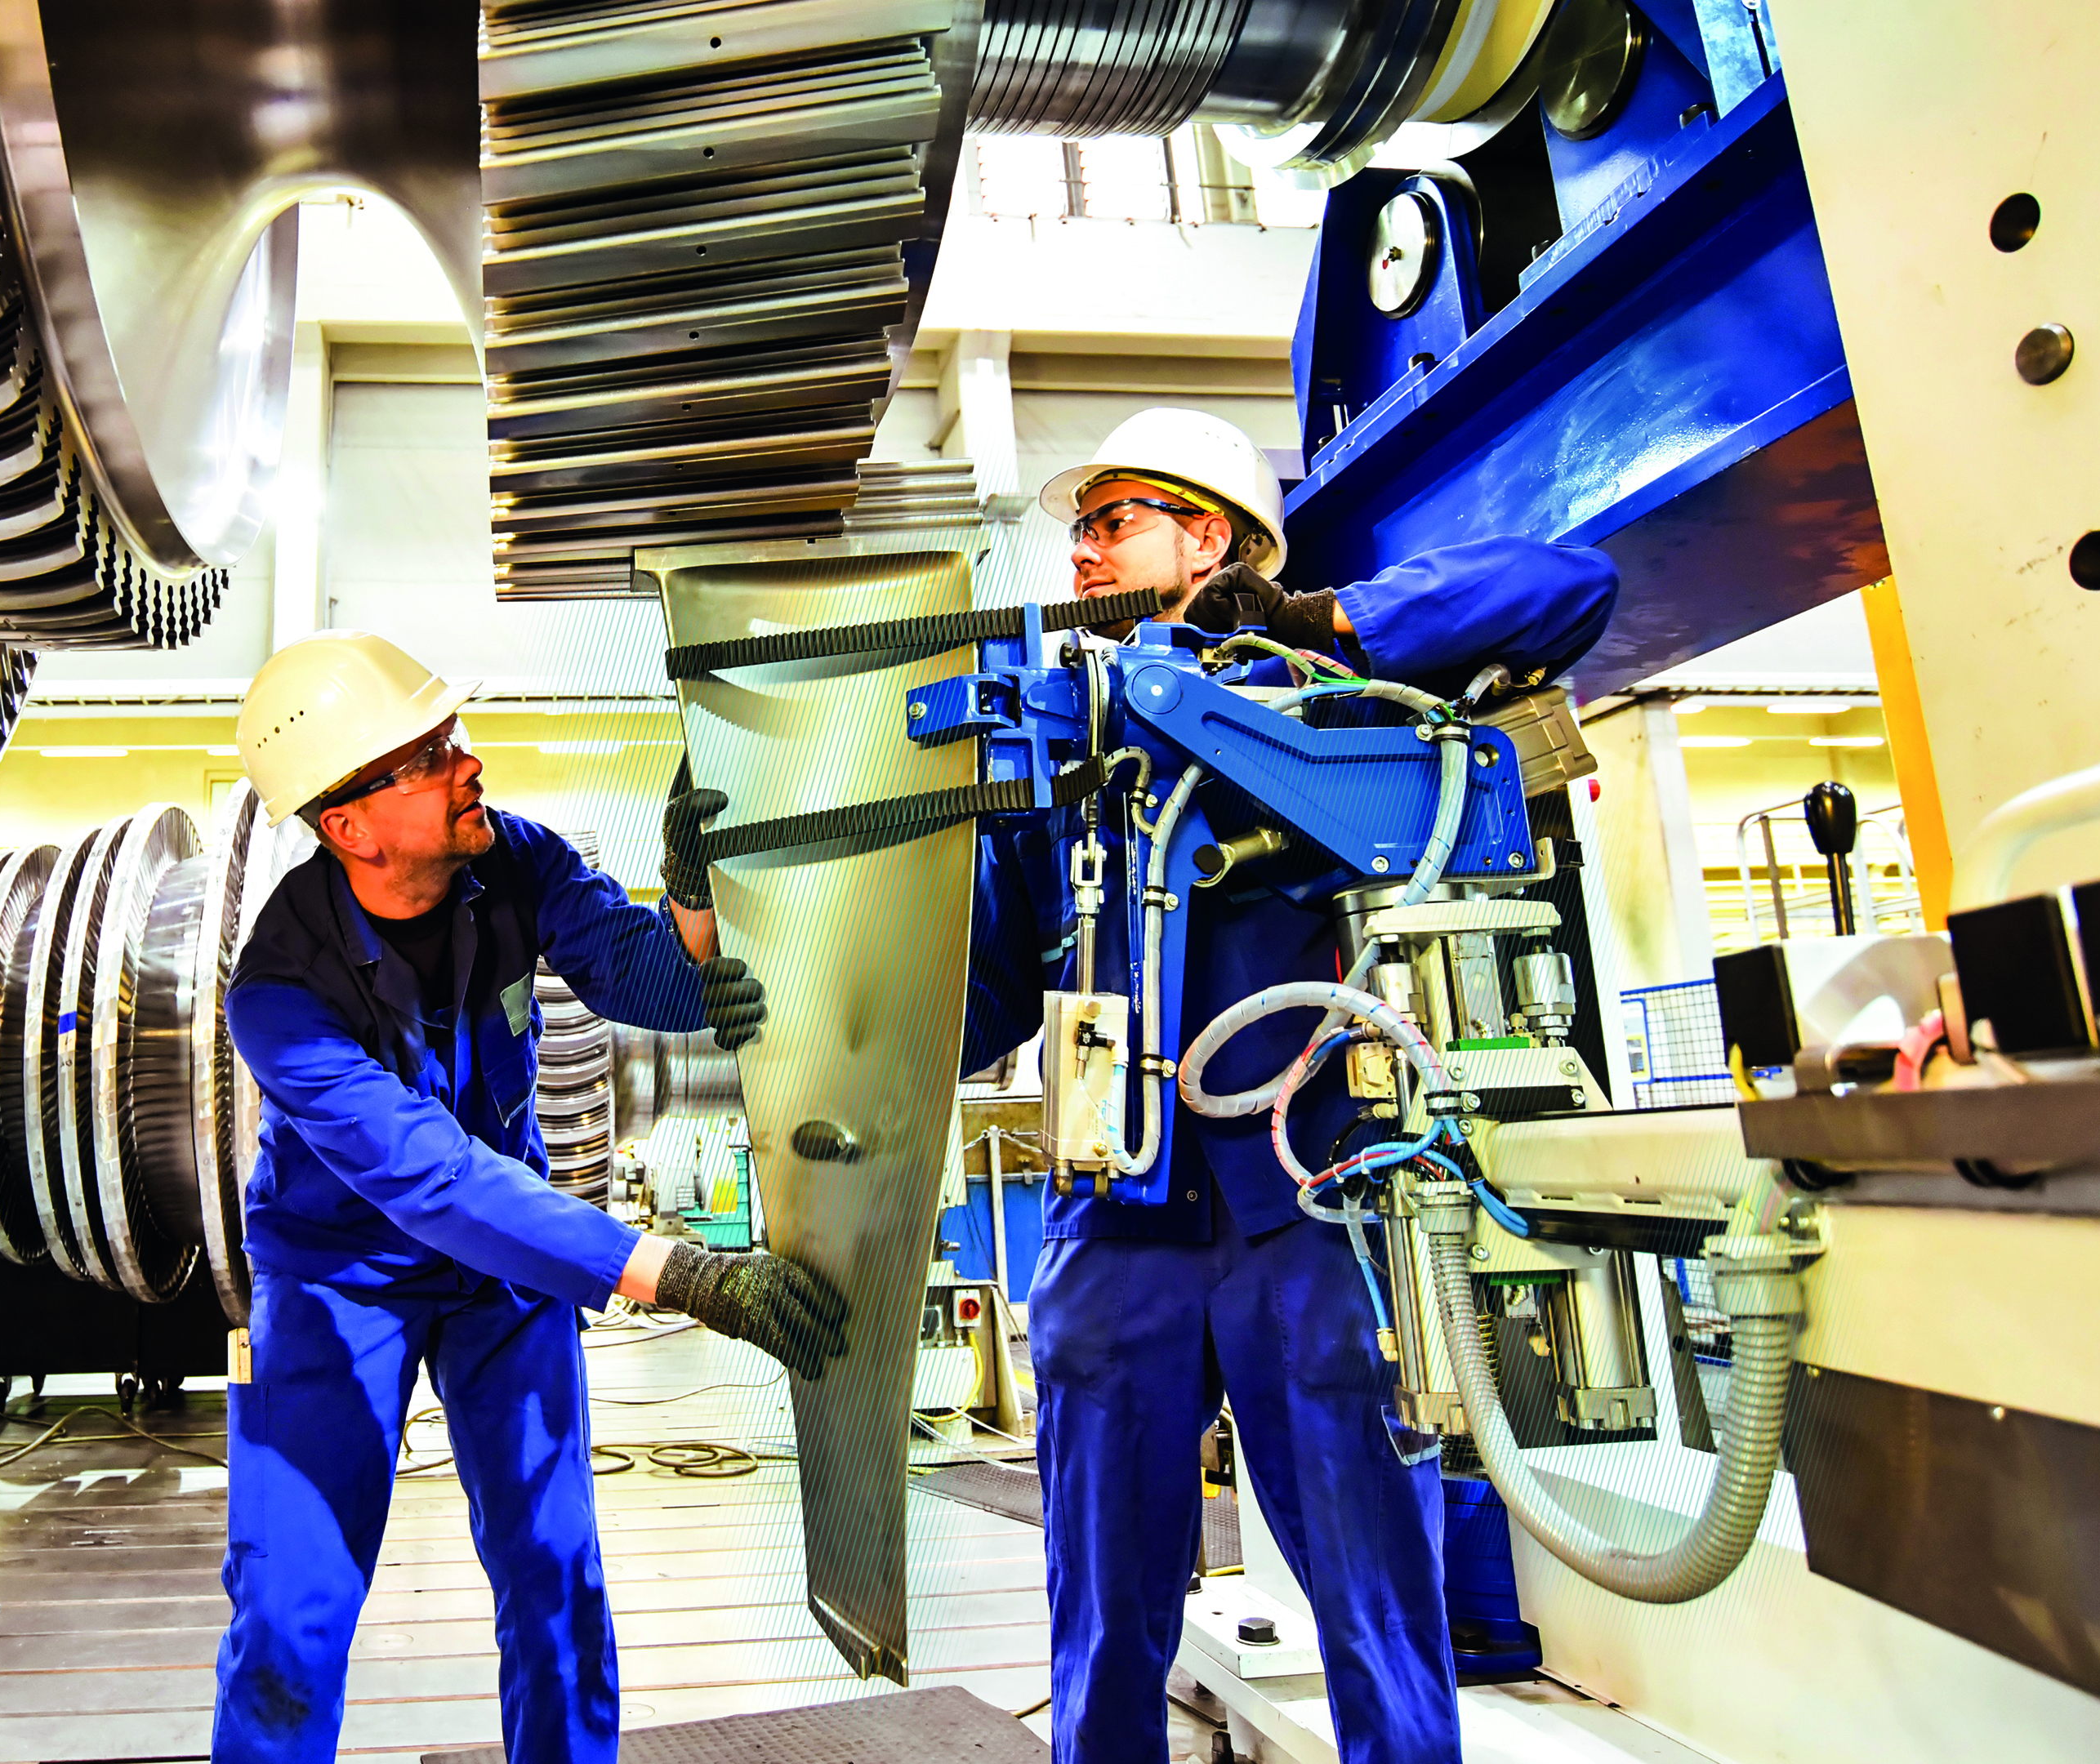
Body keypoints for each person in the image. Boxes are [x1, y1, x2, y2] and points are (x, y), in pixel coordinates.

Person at [961, 409, 1617, 1764]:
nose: (1081, 552)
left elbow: (1574, 583)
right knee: (1100, 1625)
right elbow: (970, 1014)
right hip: (1112, 1227)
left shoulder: (1324, 706)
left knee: (1378, 1611)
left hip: (1305, 1216)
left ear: (1211, 535)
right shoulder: (1059, 758)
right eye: (1076, 530)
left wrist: (1324, 627)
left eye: (1114, 520)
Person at [214, 629, 849, 1764]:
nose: (469, 762)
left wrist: (698, 901)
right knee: (291, 1609)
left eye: (452, 735)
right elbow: (432, 1181)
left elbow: (644, 976)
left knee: (556, 1574)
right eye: (427, 754)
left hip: (501, 1272)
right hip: (335, 1282)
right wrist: (679, 1273)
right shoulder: (279, 994)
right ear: (347, 824)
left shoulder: (512, 859)